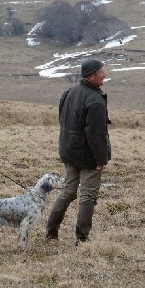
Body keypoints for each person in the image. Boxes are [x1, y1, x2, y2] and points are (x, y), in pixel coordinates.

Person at [46, 58, 111, 245]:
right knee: (88, 196)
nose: (104, 74)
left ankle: (51, 231)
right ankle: (82, 239)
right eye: (101, 72)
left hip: (68, 150)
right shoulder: (96, 100)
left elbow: (62, 120)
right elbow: (96, 134)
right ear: (91, 76)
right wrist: (100, 159)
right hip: (87, 155)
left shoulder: (69, 91)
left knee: (67, 191)